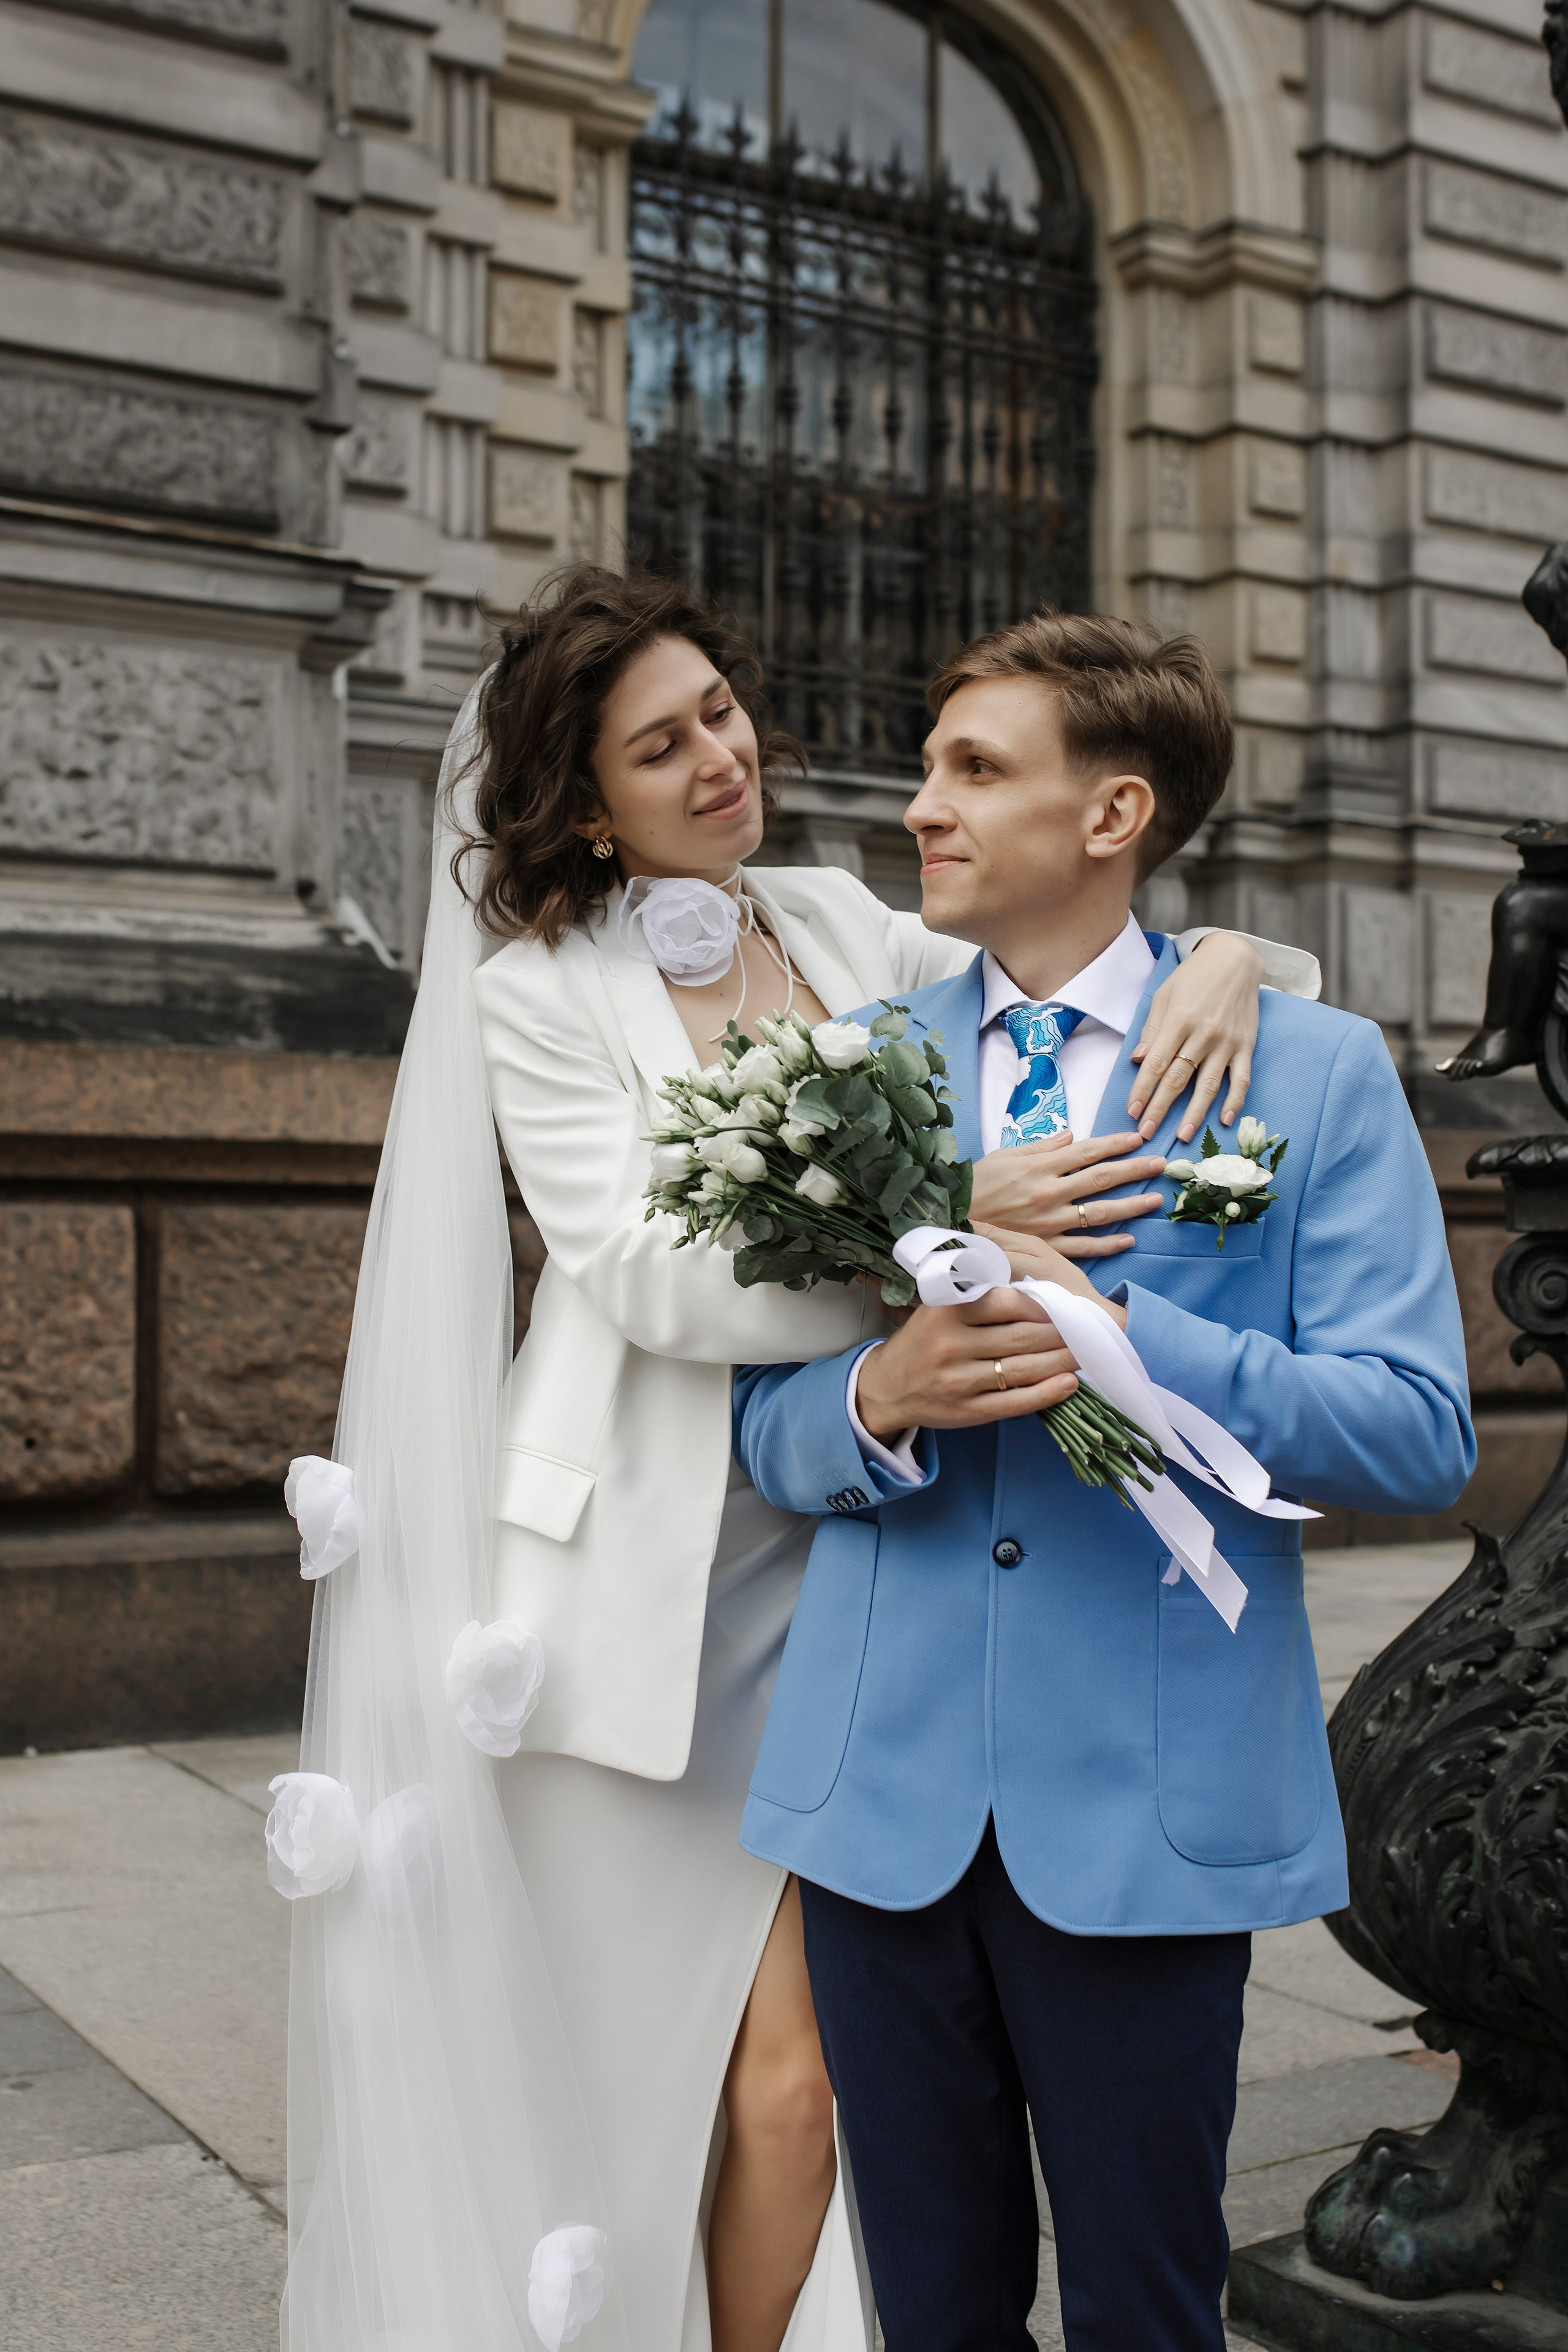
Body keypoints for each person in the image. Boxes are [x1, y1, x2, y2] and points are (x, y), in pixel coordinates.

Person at [277, 566, 1316, 2352]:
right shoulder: (540, 992)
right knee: (669, 2079)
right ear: (581, 799)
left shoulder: (835, 915)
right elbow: (648, 1275)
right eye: (659, 747)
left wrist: (1227, 953)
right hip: (637, 1597)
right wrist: (933, 1215)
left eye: (721, 713)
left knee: (809, 2083)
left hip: (862, 1563)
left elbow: (1071, 958)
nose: (718, 760)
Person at [732, 611, 1477, 2352]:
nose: (923, 807)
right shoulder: (852, 1069)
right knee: (930, 2305)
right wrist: (878, 1393)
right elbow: (760, 1429)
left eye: (975, 771)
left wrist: (1131, 1339)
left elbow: (1420, 1429)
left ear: (1114, 813)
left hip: (1149, 1801)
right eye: (933, 765)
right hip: (880, 1799)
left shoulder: (1309, 1070)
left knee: (1148, 2305)